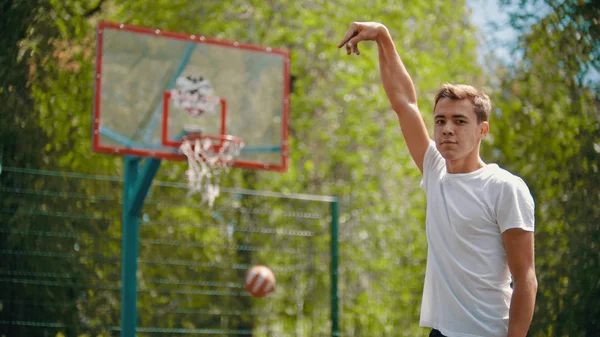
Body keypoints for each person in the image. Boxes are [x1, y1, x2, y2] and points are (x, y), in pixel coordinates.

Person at [337, 22, 537, 337]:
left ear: (482, 130)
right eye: (440, 120)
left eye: (459, 121)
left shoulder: (504, 188)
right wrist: (383, 37)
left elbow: (525, 276)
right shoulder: (435, 170)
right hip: (441, 332)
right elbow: (404, 104)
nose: (447, 129)